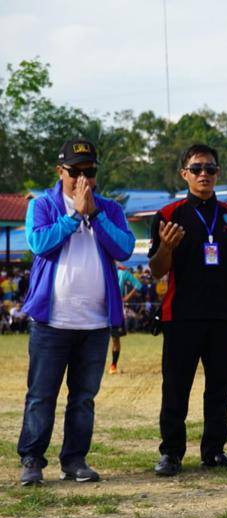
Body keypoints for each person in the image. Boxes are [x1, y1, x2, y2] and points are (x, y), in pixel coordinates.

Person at [16, 139, 134, 485]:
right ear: (60, 171)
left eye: (89, 170)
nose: (82, 178)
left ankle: (75, 460)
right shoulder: (43, 205)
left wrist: (93, 213)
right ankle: (32, 459)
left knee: (83, 399)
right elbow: (39, 243)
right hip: (52, 321)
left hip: (95, 322)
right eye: (75, 171)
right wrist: (73, 216)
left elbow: (124, 248)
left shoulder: (109, 209)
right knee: (41, 395)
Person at [148, 144, 227, 477]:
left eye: (210, 169)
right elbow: (157, 270)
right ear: (184, 173)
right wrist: (167, 247)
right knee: (176, 387)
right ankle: (171, 453)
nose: (204, 175)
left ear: (218, 173)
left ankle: (214, 451)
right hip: (181, 316)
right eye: (197, 168)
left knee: (220, 388)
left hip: (224, 316)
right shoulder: (169, 215)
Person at [109, 264, 142, 374]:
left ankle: (113, 365)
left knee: (114, 338)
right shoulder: (110, 271)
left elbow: (138, 285)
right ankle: (111, 366)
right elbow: (138, 285)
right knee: (111, 339)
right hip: (107, 309)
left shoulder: (122, 273)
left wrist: (126, 297)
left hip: (112, 309)